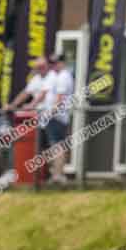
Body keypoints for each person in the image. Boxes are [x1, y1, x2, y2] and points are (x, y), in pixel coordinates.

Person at [5, 56, 57, 154]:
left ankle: (51, 168)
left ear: (47, 66)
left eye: (42, 66)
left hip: (52, 117)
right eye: (38, 67)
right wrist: (12, 105)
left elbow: (43, 94)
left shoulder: (52, 75)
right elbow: (25, 93)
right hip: (40, 119)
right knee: (40, 147)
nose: (40, 69)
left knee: (51, 146)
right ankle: (42, 168)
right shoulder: (36, 78)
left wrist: (31, 105)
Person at [45, 52, 74, 183]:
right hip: (58, 116)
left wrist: (52, 112)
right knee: (56, 145)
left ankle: (58, 175)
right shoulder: (59, 75)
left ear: (62, 63)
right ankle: (57, 174)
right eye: (52, 63)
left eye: (56, 63)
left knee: (57, 146)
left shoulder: (63, 76)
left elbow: (60, 97)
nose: (53, 66)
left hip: (58, 116)